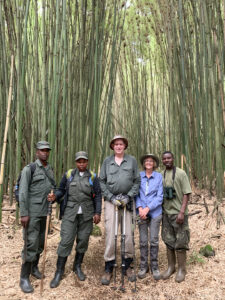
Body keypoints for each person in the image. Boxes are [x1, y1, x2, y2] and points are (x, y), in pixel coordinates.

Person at [50, 151, 102, 288]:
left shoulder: (93, 177)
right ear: (75, 162)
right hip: (70, 212)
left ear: (87, 162)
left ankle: (77, 266)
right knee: (66, 240)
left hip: (87, 212)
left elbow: (97, 195)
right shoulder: (68, 175)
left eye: (84, 161)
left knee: (83, 240)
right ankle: (59, 271)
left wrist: (97, 212)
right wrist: (55, 196)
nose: (82, 163)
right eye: (79, 161)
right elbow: (61, 190)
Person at [99, 135, 140, 285]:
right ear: (112, 146)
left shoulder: (132, 161)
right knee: (111, 234)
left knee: (128, 235)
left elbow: (137, 181)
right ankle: (109, 266)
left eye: (121, 144)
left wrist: (129, 197)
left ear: (124, 146)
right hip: (111, 202)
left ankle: (127, 265)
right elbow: (101, 181)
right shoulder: (107, 162)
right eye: (116, 144)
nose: (118, 146)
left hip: (127, 201)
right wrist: (110, 197)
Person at [19, 141, 56, 293]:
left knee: (41, 242)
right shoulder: (30, 169)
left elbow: (52, 188)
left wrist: (53, 197)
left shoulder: (50, 169)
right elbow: (22, 191)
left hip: (45, 212)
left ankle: (34, 268)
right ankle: (24, 277)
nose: (45, 153)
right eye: (42, 150)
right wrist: (24, 214)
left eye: (47, 150)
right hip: (32, 213)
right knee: (31, 244)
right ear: (37, 152)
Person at [161, 151, 192, 283]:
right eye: (164, 159)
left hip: (178, 214)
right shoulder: (161, 174)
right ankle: (171, 267)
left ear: (173, 159)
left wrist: (181, 212)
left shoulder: (180, 173)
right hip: (166, 213)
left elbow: (186, 193)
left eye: (169, 158)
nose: (167, 160)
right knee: (168, 240)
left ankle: (181, 269)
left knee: (181, 241)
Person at [136, 154, 163, 280]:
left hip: (155, 212)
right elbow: (136, 194)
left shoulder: (159, 177)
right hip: (141, 213)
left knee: (153, 240)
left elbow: (160, 196)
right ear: (144, 163)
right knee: (142, 240)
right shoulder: (138, 176)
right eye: (146, 161)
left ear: (154, 163)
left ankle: (154, 266)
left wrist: (148, 208)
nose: (148, 162)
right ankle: (143, 266)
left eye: (151, 161)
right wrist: (140, 208)